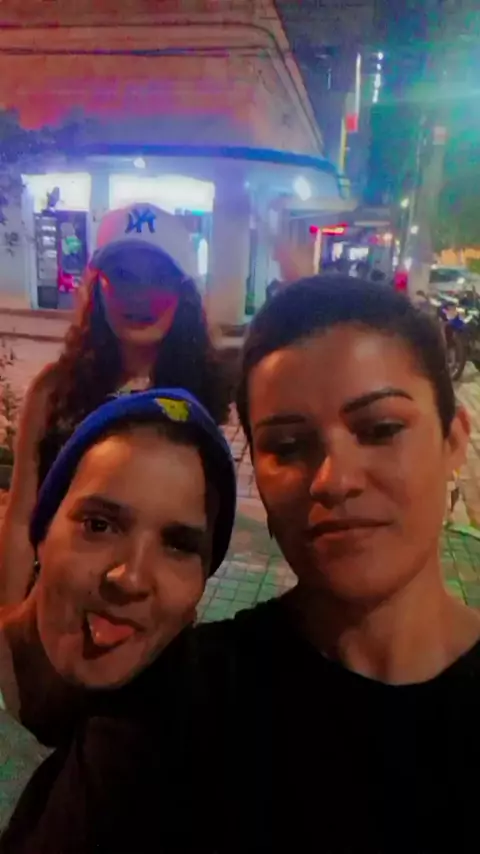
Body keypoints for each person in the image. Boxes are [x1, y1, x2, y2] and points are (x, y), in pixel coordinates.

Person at [4, 279, 480, 853]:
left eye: (380, 430)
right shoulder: (175, 702)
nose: (335, 480)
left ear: (454, 439)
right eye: (288, 446)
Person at [0, 388, 236, 850]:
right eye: (99, 525)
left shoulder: (175, 729)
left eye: (179, 545)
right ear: (43, 535)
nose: (131, 578)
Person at [0, 203, 229, 606]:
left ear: (183, 292)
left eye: (158, 278)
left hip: (145, 605)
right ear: (97, 287)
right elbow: (21, 520)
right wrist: (10, 618)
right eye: (122, 276)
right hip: (54, 604)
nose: (138, 295)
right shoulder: (55, 391)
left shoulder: (203, 394)